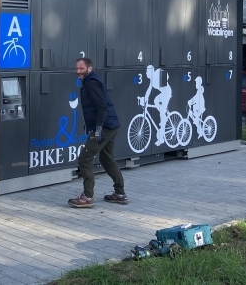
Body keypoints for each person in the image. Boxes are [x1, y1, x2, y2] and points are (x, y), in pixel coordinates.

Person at [68, 57, 128, 208]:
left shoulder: (91, 83)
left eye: (81, 68)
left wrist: (98, 128)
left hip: (105, 126)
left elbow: (102, 107)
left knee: (85, 159)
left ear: (90, 68)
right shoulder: (90, 80)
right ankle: (120, 194)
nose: (78, 71)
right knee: (107, 158)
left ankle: (87, 197)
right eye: (77, 68)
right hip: (111, 124)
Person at [137, 65, 172, 146]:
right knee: (156, 100)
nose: (146, 73)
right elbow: (148, 92)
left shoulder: (157, 73)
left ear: (151, 71)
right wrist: (143, 99)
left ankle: (161, 139)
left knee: (161, 114)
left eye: (147, 72)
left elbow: (166, 74)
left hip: (167, 92)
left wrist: (163, 80)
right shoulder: (152, 81)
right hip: (163, 93)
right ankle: (163, 112)